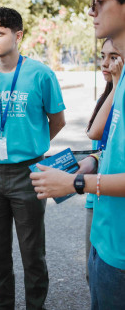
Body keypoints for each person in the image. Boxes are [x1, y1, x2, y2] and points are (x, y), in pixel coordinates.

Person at [30, 0, 125, 310]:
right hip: (106, 240)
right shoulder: (122, 80)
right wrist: (88, 164)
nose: (91, 11)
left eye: (99, 2)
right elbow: (104, 139)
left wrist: (76, 185)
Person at [0, 7, 66, 310]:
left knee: (32, 252)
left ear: (18, 35)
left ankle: (36, 306)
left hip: (28, 173)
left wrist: (30, 145)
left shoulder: (41, 74)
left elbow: (57, 120)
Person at [82, 38, 124, 283]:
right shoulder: (110, 92)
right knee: (93, 273)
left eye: (114, 57)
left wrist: (118, 82)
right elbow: (95, 136)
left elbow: (96, 133)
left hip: (109, 192)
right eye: (102, 56)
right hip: (95, 196)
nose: (105, 64)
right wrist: (92, 158)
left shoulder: (119, 90)